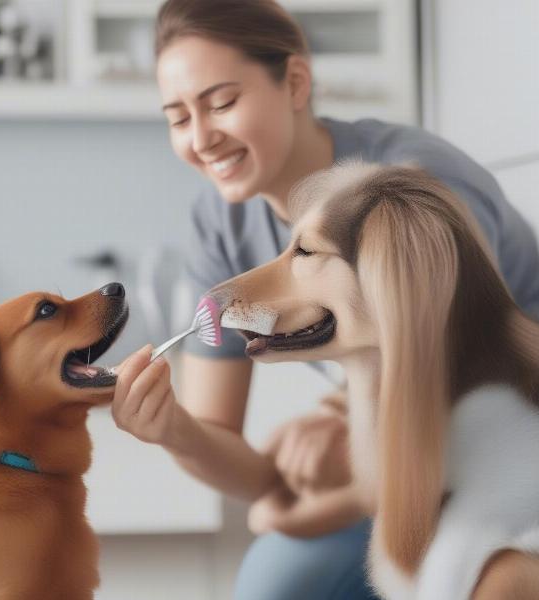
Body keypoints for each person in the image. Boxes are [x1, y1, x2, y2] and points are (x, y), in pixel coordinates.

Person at [111, 1, 539, 599]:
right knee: (272, 581)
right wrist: (172, 429)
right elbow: (250, 465)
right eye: (179, 117)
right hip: (391, 454)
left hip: (496, 437)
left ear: (295, 83)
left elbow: (432, 373)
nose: (201, 138)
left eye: (222, 102)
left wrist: (306, 491)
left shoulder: (412, 192)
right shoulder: (219, 223)